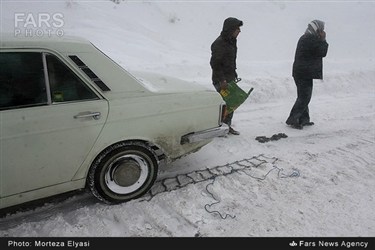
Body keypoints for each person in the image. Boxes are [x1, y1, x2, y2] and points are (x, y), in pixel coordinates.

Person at [286, 20, 329, 129]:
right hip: (303, 73)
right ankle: (293, 118)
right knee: (305, 97)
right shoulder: (310, 39)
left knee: (303, 96)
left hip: (302, 72)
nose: (323, 32)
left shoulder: (306, 37)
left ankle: (303, 119)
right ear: (317, 29)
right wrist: (323, 39)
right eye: (321, 30)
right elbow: (322, 52)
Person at [210, 17, 243, 135]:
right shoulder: (219, 43)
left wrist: (233, 74)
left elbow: (229, 61)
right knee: (224, 105)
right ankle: (219, 128)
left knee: (231, 103)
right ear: (231, 29)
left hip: (229, 78)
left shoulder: (231, 41)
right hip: (221, 80)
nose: (239, 31)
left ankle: (226, 127)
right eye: (237, 28)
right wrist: (222, 80)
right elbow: (215, 63)